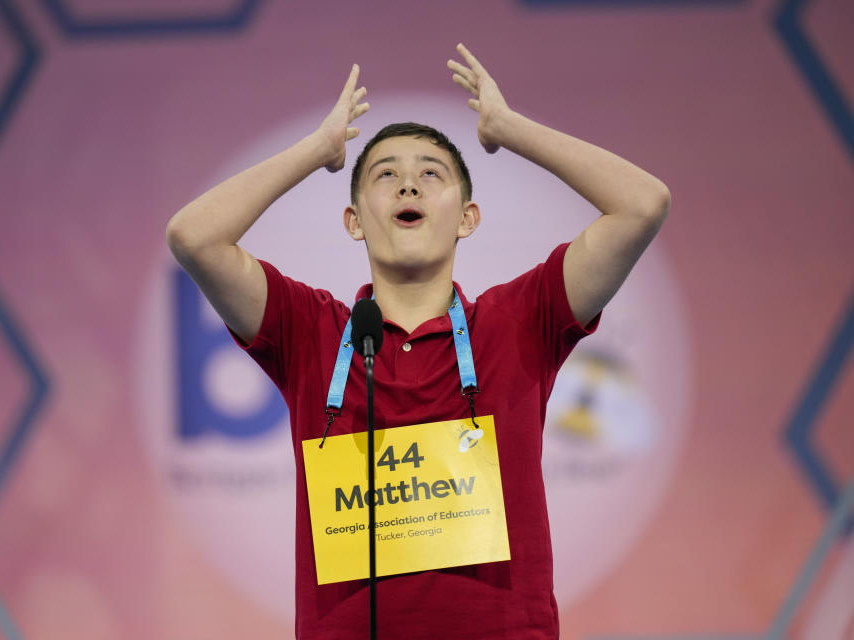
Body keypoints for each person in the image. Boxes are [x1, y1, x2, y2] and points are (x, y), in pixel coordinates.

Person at [166, 43, 670, 640]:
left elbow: (643, 205)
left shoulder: (520, 320)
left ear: (467, 217)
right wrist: (316, 152)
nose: (408, 186)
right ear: (354, 220)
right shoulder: (310, 331)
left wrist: (511, 130)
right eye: (385, 176)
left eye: (431, 174)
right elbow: (193, 237)